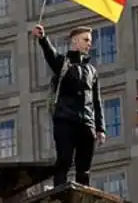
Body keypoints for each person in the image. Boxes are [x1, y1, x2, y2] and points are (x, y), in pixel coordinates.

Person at [32, 23, 105, 186]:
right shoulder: (63, 63)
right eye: (86, 40)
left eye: (90, 40)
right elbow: (50, 55)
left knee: (84, 167)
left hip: (87, 123)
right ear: (74, 41)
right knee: (64, 160)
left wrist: (100, 128)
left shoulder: (92, 71)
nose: (89, 44)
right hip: (65, 120)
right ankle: (60, 193)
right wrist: (43, 39)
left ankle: (83, 197)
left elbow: (96, 100)